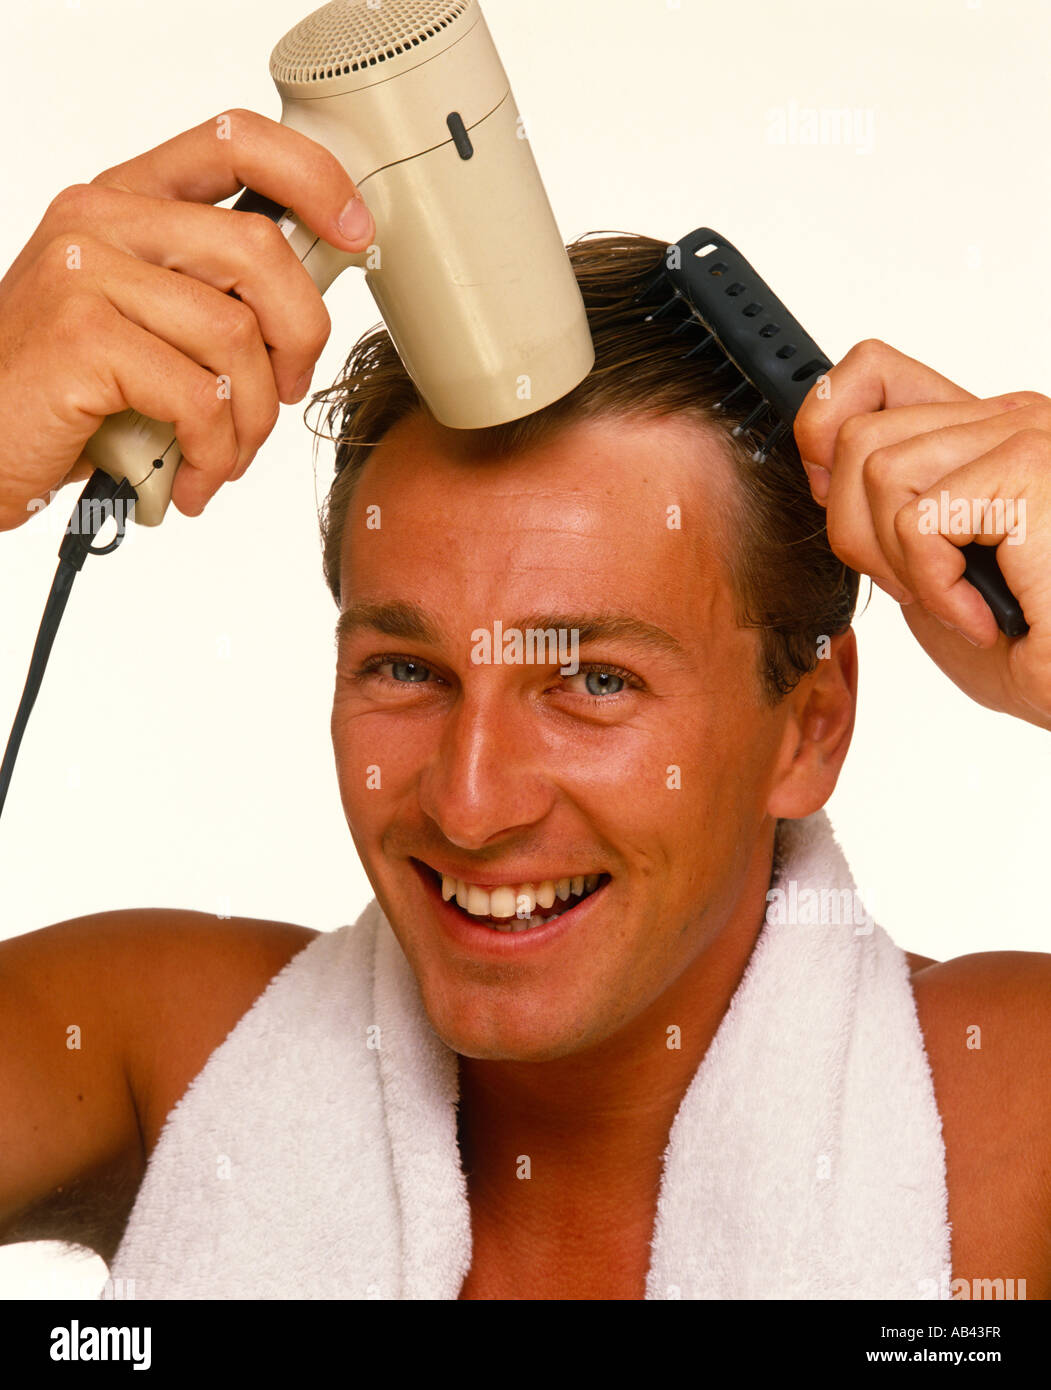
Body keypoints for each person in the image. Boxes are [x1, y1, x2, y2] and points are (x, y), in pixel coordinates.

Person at [0, 110, 1048, 1300]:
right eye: (405, 670)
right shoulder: (159, 1050)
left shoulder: (1010, 1111)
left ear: (808, 728)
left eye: (594, 681)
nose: (471, 799)